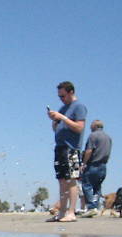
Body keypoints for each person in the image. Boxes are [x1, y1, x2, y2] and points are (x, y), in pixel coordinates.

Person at [46, 81, 87, 222]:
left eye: (63, 96)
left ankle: (71, 212)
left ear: (71, 92)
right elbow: (56, 130)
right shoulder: (63, 108)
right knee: (62, 180)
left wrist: (63, 117)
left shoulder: (78, 107)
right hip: (60, 147)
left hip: (72, 148)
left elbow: (79, 127)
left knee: (71, 179)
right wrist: (54, 120)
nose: (61, 99)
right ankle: (62, 212)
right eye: (59, 97)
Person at [80, 120, 112, 218]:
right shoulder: (108, 138)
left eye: (91, 125)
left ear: (94, 126)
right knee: (97, 187)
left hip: (93, 164)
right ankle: (95, 206)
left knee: (87, 185)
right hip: (103, 165)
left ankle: (91, 207)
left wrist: (84, 163)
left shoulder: (93, 136)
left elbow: (89, 150)